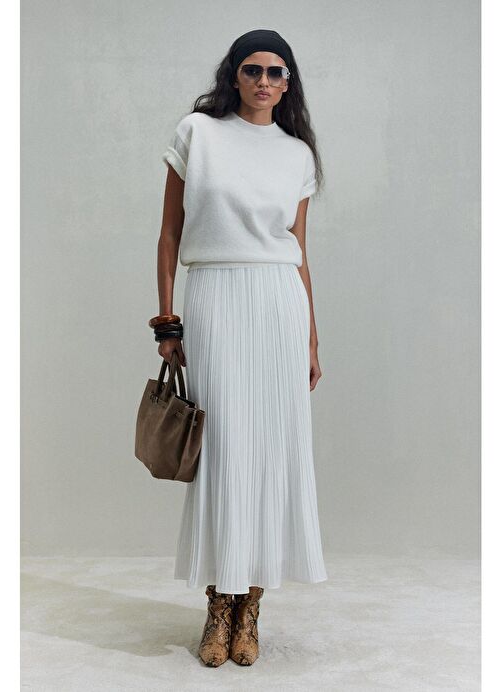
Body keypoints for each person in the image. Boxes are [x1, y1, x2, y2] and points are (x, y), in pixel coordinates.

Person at [155, 28, 328, 667]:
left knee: (270, 449)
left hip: (279, 303)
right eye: (253, 69)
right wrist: (167, 320)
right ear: (234, 74)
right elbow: (169, 233)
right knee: (224, 449)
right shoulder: (197, 134)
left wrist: (311, 336)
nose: (264, 81)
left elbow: (298, 251)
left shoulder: (296, 154)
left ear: (288, 83)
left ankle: (251, 604)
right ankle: (218, 604)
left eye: (276, 72)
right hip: (216, 297)